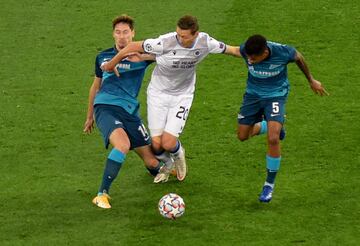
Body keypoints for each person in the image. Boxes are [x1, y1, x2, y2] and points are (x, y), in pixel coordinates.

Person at [101, 15, 241, 183]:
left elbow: (233, 50)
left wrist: (256, 54)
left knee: (168, 143)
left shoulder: (206, 42)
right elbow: (132, 46)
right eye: (178, 34)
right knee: (156, 145)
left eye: (184, 36)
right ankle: (168, 164)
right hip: (158, 94)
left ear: (195, 35)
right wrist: (112, 63)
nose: (179, 39)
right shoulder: (164, 41)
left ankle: (179, 154)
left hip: (182, 96)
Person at [236, 34, 329, 202]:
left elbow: (299, 57)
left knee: (273, 138)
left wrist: (311, 80)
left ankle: (268, 185)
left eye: (253, 58)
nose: (250, 60)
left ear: (264, 53)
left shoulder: (283, 52)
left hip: (275, 95)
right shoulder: (246, 49)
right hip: (253, 95)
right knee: (243, 136)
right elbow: (234, 50)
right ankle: (268, 125)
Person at [83, 15, 162, 209]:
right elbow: (95, 86)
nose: (122, 37)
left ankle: (164, 172)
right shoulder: (103, 57)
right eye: (118, 32)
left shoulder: (142, 57)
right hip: (106, 108)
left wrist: (145, 55)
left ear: (133, 33)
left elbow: (165, 55)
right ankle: (102, 194)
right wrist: (89, 116)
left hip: (130, 112)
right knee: (123, 144)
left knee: (153, 163)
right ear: (113, 34)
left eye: (126, 32)